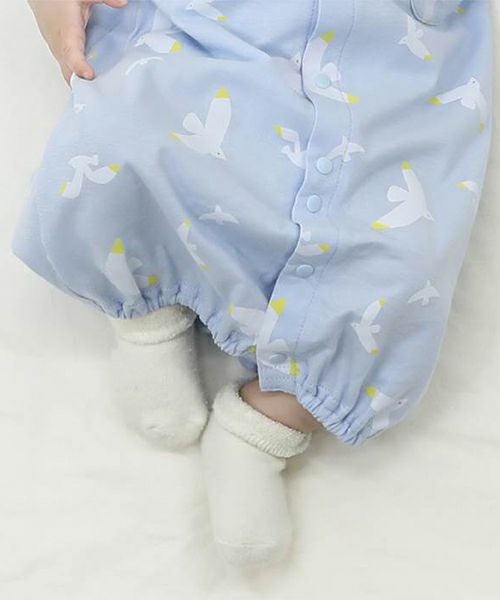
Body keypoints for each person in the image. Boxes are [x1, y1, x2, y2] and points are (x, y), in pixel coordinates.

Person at [12, 0, 493, 568]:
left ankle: (268, 422)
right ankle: (146, 315)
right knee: (137, 121)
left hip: (394, 66)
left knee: (403, 259)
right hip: (226, 25)